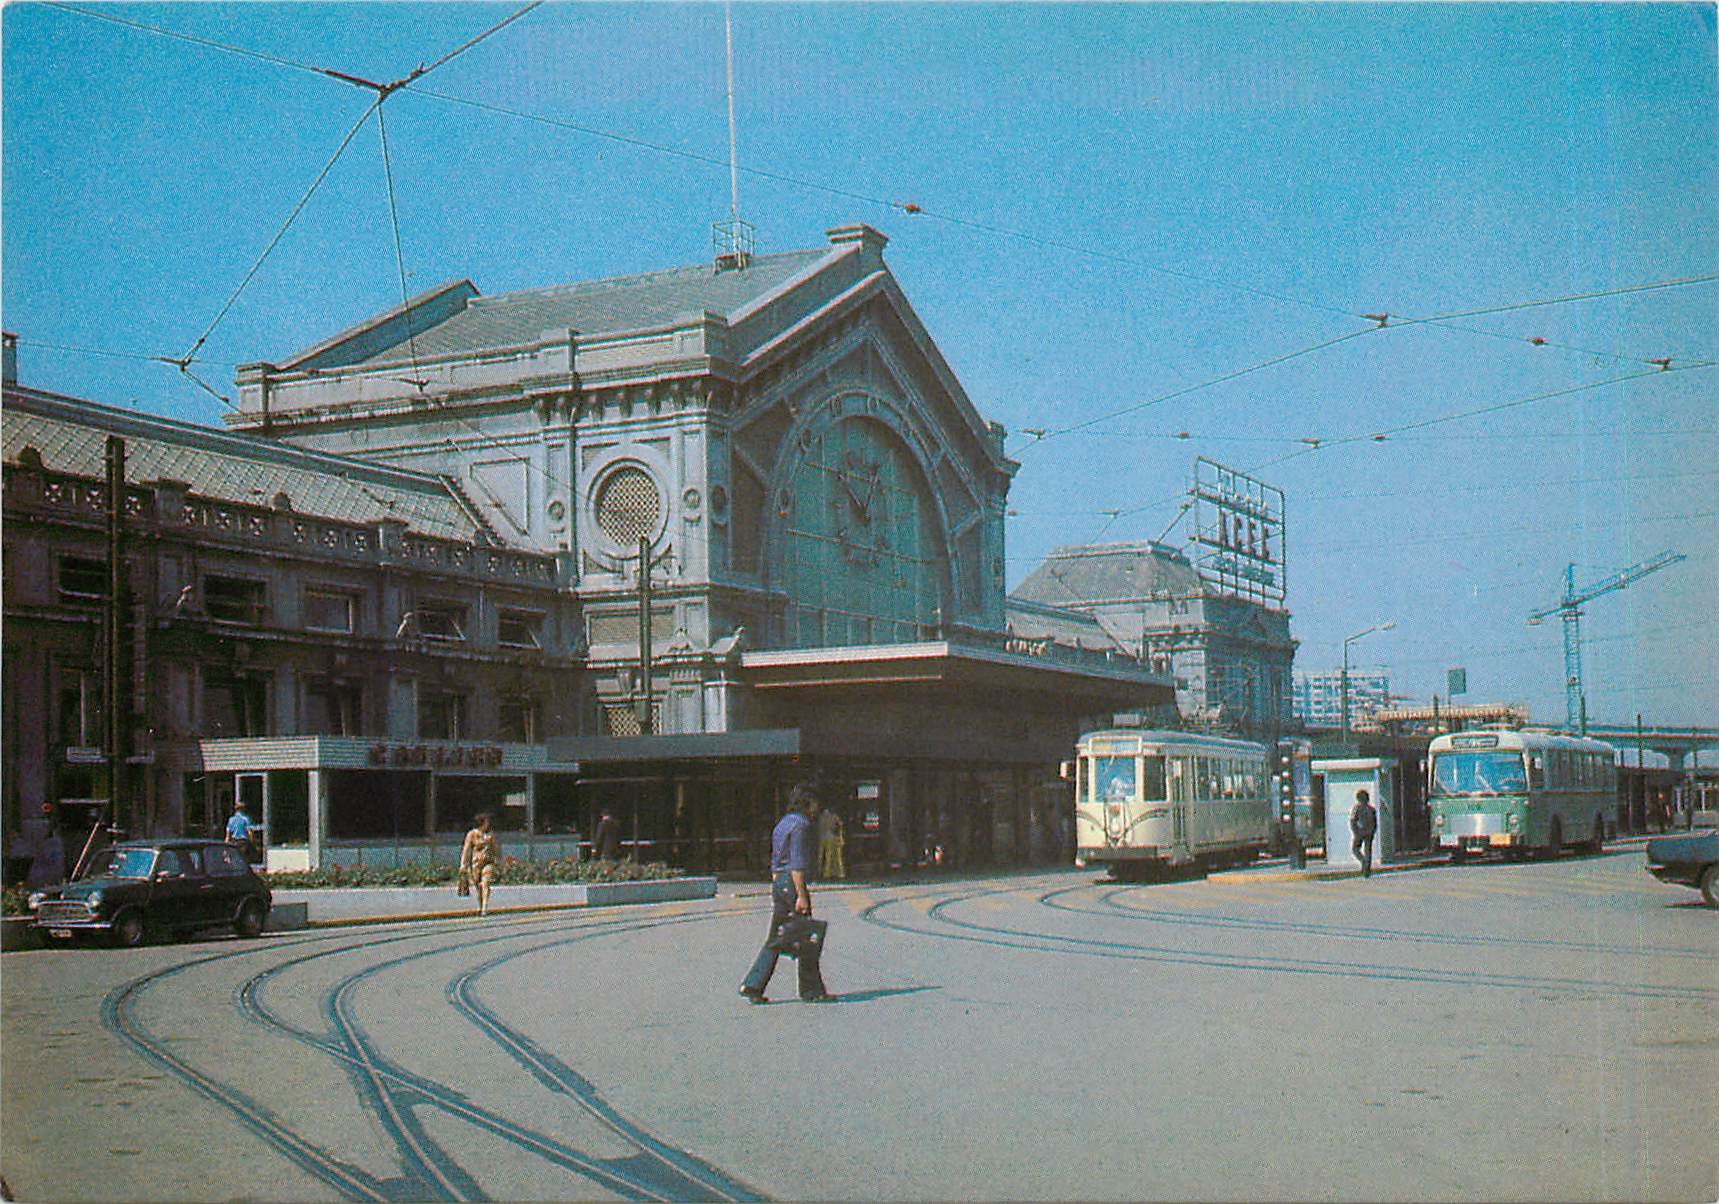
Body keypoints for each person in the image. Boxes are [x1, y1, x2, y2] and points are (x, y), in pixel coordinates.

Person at [740, 785, 833, 1004]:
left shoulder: (783, 823)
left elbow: (776, 861)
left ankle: (753, 984)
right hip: (792, 883)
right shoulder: (801, 825)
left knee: (776, 936)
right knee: (807, 937)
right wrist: (801, 895)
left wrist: (779, 885)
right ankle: (812, 990)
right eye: (815, 804)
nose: (817, 809)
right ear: (808, 803)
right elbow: (797, 864)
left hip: (779, 882)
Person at [461, 812, 501, 915]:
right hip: (476, 864)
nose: (488, 824)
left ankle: (484, 907)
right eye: (486, 822)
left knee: (485, 883)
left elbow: (497, 848)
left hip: (488, 862)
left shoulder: (491, 835)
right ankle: (480, 905)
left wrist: (498, 860)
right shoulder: (472, 834)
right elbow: (466, 850)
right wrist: (463, 864)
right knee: (478, 886)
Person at [1349, 788, 1378, 878]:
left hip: (1360, 832)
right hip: (1369, 832)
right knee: (1368, 850)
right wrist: (1373, 831)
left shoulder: (1357, 808)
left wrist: (1355, 831)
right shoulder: (1372, 809)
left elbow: (1353, 821)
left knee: (1355, 849)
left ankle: (1363, 861)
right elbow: (1375, 822)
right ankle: (1367, 870)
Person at [817, 803, 846, 880]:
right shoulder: (834, 816)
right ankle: (827, 873)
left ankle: (818, 871)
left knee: (820, 856)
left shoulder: (820, 817)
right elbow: (839, 825)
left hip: (821, 837)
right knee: (829, 856)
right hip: (831, 837)